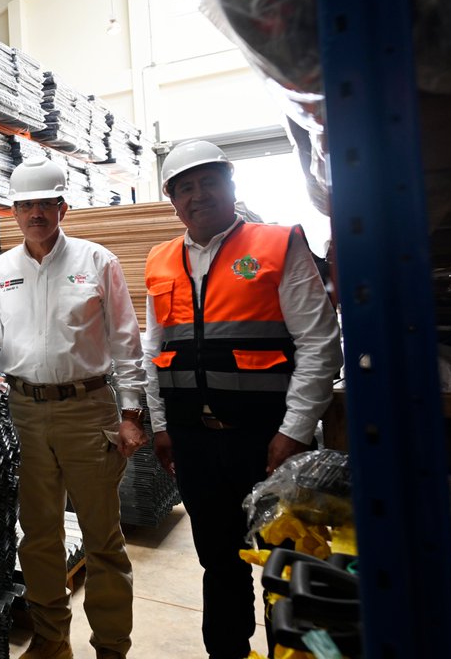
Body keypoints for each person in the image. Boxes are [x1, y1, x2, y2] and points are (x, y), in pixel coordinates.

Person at [143, 140, 341, 659]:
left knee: (282, 562)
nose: (197, 194)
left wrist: (294, 431)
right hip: (193, 443)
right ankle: (226, 653)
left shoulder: (277, 244)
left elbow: (319, 342)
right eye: (184, 187)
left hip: (267, 441)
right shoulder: (160, 260)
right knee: (219, 561)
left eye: (209, 181)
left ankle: (288, 652)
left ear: (231, 186)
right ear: (172, 199)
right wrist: (162, 427)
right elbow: (152, 352)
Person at [0, 158, 148, 659]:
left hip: (88, 411)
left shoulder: (97, 262)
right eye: (25, 205)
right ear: (15, 212)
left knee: (102, 538)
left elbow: (127, 343)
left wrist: (132, 414)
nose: (35, 213)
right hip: (24, 412)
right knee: (39, 536)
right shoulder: (1, 270)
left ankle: (111, 646)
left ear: (62, 206)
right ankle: (51, 640)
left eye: (45, 203)